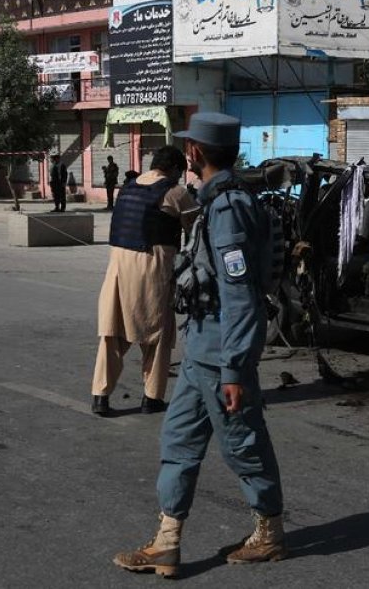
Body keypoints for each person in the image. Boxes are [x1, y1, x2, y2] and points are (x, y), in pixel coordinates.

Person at [113, 112, 284, 577]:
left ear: (194, 153)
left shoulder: (227, 208)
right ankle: (166, 543)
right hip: (199, 349)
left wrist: (234, 369)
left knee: (243, 445)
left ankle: (269, 531)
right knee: (178, 439)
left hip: (220, 351)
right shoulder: (217, 199)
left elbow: (241, 295)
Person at [92, 145, 198, 418]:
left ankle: (100, 397)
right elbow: (197, 232)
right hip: (152, 267)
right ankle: (152, 398)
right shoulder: (176, 193)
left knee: (112, 334)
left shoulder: (128, 186)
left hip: (117, 267)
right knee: (158, 335)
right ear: (174, 169)